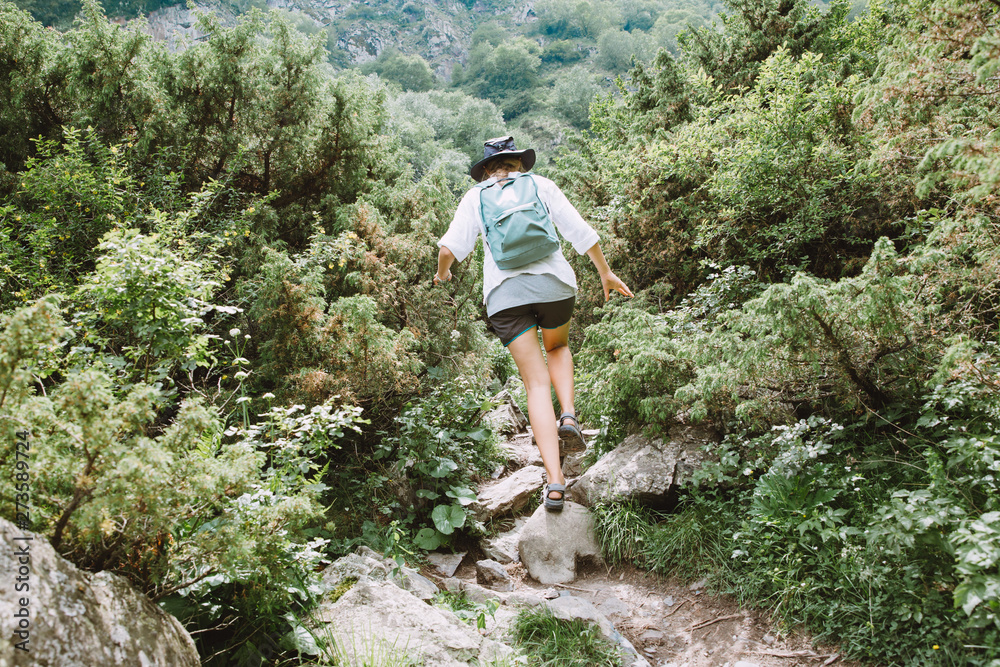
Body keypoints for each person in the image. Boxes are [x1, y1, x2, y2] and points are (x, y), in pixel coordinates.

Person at [433, 136, 633, 512]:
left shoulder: (475, 197)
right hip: (554, 284)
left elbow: (448, 251)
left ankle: (555, 484)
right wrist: (605, 273)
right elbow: (581, 232)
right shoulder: (540, 185)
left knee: (535, 383)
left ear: (487, 169)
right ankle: (569, 414)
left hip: (504, 297)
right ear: (518, 163)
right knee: (557, 346)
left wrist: (443, 275)